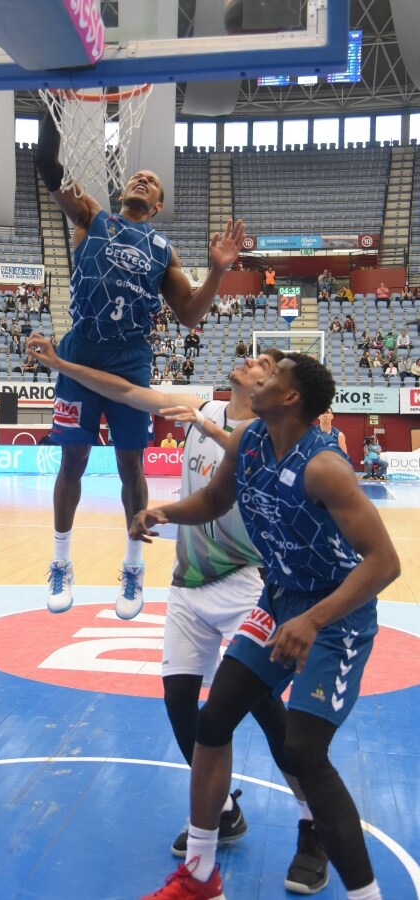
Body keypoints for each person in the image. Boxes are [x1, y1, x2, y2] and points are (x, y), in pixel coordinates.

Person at [26, 336, 329, 894]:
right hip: (189, 581)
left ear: (280, 390)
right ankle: (222, 809)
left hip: (246, 582)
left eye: (266, 364)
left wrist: (206, 427)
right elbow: (121, 389)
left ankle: (313, 826)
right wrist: (63, 365)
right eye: (255, 358)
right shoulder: (203, 407)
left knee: (262, 707)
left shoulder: (272, 437)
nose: (252, 362)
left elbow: (249, 450)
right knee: (180, 702)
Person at [129, 353, 399, 900]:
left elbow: (384, 563)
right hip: (279, 600)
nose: (262, 377)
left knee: (302, 749)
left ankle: (364, 892)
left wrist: (314, 619)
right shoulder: (250, 441)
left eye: (274, 375)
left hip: (336, 614)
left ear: (292, 396)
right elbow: (213, 499)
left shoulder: (324, 467)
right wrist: (164, 511)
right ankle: (200, 875)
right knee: (214, 719)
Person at [35, 100, 245, 619]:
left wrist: (217, 271)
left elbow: (192, 315)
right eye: (138, 176)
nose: (143, 179)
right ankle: (61, 561)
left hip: (130, 359)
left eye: (152, 182)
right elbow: (45, 163)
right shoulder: (91, 216)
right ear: (123, 191)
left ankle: (132, 566)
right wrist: (47, 101)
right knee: (74, 460)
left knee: (131, 464)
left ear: (156, 206)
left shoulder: (161, 248)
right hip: (82, 346)